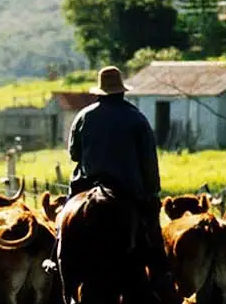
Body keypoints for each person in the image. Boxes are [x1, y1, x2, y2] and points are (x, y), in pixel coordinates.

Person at [45, 67, 168, 289]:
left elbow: (74, 154)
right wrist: (152, 192)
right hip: (128, 188)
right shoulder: (137, 119)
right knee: (151, 232)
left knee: (65, 220)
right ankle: (160, 271)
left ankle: (54, 256)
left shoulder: (84, 116)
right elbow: (149, 160)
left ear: (100, 92)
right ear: (122, 92)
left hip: (86, 183)